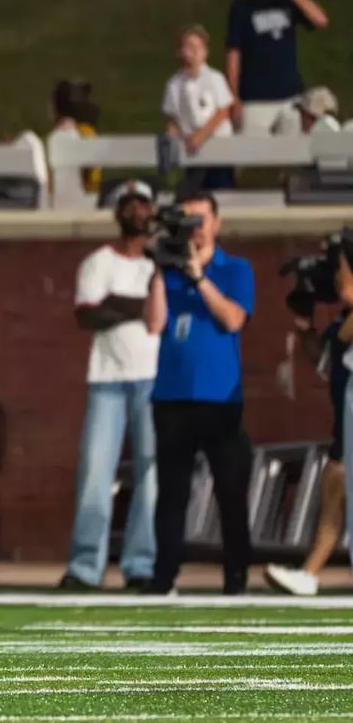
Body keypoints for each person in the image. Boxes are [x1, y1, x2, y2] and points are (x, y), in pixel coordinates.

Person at [144, 191, 254, 595]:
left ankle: (236, 578)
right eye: (188, 220)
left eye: (202, 219)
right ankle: (163, 576)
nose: (196, 228)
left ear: (217, 223)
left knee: (230, 489)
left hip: (219, 398)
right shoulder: (168, 272)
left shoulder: (235, 268)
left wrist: (198, 277)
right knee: (172, 492)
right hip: (172, 395)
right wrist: (159, 270)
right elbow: (154, 324)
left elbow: (233, 319)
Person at [59, 181, 160, 592]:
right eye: (129, 204)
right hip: (106, 381)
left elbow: (159, 319)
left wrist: (118, 305)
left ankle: (140, 565)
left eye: (143, 203)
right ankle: (86, 566)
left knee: (152, 476)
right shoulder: (98, 261)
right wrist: (139, 307)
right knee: (95, 475)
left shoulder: (161, 263)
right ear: (117, 212)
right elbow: (86, 316)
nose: (137, 211)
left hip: (154, 379)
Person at [265, 290, 351, 596]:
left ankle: (309, 572)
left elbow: (343, 337)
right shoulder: (342, 316)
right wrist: (304, 325)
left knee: (336, 485)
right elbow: (323, 357)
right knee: (334, 493)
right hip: (345, 421)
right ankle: (308, 573)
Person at [226, 0, 329, 136]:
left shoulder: (289, 2)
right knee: (252, 159)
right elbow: (233, 53)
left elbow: (321, 21)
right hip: (254, 99)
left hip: (290, 98)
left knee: (291, 160)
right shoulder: (242, 6)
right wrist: (234, 97)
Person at [162, 25, 235, 191]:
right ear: (180, 51)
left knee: (221, 190)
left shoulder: (215, 78)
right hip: (191, 149)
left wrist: (201, 136)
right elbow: (171, 115)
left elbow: (223, 112)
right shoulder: (174, 84)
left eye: (198, 47)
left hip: (218, 146)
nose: (193, 52)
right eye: (189, 47)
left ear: (205, 52)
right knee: (195, 192)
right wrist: (175, 132)